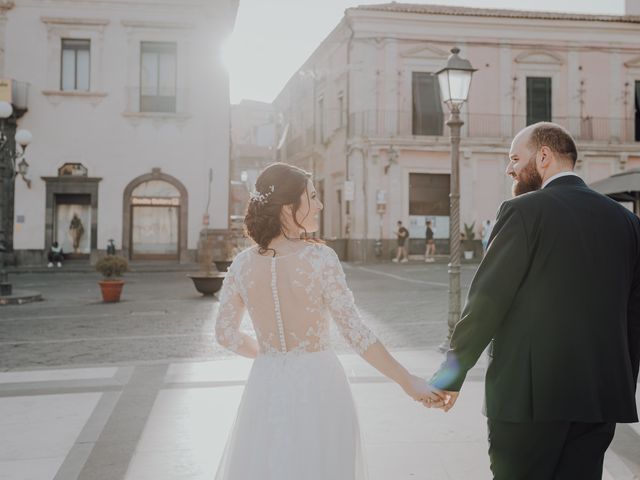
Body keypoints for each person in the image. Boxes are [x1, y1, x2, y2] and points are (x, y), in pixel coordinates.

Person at [428, 122, 640, 479]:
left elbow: (487, 302)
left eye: (514, 158)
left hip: (527, 402)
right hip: (600, 398)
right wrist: (619, 382)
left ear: (543, 156)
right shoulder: (628, 222)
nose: (510, 168)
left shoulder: (523, 211)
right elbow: (634, 317)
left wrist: (451, 375)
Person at [214, 163, 442, 479]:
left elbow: (225, 334)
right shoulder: (319, 258)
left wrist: (270, 356)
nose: (320, 204)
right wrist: (407, 381)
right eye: (312, 196)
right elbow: (356, 332)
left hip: (265, 384)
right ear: (286, 207)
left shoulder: (241, 265)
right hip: (318, 383)